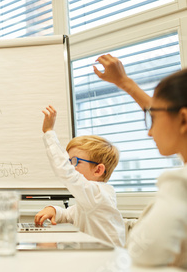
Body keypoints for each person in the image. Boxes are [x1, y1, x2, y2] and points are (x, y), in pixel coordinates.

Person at [95, 54, 187, 268]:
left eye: (153, 119)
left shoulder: (181, 185)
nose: (150, 132)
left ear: (183, 119)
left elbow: (144, 254)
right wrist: (124, 83)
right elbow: (167, 114)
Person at [35, 105, 125, 247]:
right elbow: (68, 214)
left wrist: (49, 132)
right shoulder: (88, 200)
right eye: (69, 161)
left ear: (98, 170)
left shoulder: (98, 194)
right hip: (93, 261)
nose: (70, 166)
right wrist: (53, 210)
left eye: (75, 161)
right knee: (47, 242)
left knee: (47, 245)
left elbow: (67, 173)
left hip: (105, 262)